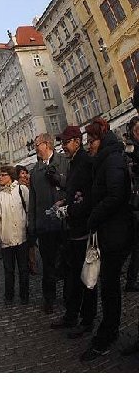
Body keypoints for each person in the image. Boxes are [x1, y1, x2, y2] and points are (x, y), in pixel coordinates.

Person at [80, 118, 133, 361]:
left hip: (116, 231)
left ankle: (107, 334)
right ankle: (107, 331)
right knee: (109, 284)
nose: (88, 146)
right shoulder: (105, 159)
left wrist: (93, 215)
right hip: (110, 230)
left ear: (100, 140)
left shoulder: (111, 159)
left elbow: (115, 195)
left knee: (110, 286)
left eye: (91, 141)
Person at [49, 126, 97, 338]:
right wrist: (64, 201)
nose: (63, 146)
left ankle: (86, 321)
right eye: (62, 142)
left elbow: (87, 196)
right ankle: (71, 315)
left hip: (83, 229)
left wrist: (71, 207)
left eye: (66, 142)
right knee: (72, 276)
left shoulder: (85, 162)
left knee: (86, 277)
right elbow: (73, 190)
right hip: (73, 229)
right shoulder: (74, 162)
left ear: (77, 141)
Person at [28, 132, 69, 313]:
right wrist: (33, 225)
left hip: (65, 223)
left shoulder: (63, 162)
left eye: (37, 144)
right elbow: (33, 201)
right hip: (45, 226)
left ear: (46, 144)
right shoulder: (35, 171)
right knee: (48, 265)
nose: (35, 147)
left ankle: (70, 297)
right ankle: (49, 299)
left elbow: (73, 187)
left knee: (68, 262)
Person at [0, 166, 30, 304]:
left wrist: (30, 229)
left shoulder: (22, 190)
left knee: (24, 269)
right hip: (6, 239)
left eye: (3, 175)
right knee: (8, 270)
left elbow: (29, 209)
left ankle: (24, 295)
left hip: (22, 237)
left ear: (10, 176)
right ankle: (9, 296)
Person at [123, 115, 139, 293]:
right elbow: (131, 171)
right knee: (135, 244)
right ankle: (131, 278)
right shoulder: (131, 148)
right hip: (135, 200)